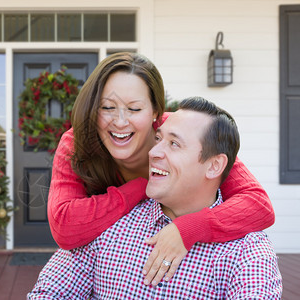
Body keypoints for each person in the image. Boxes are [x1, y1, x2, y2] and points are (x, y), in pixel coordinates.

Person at [47, 52, 275, 285]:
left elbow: (257, 205)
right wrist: (140, 187)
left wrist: (188, 228)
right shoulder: (77, 143)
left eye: (134, 109)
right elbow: (65, 226)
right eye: (107, 107)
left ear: (155, 112)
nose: (120, 121)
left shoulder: (178, 133)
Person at [29, 97, 282, 299]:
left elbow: (259, 204)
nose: (153, 151)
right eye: (159, 139)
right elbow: (49, 293)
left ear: (214, 166)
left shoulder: (248, 253)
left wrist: (189, 228)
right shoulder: (110, 222)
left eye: (174, 144)